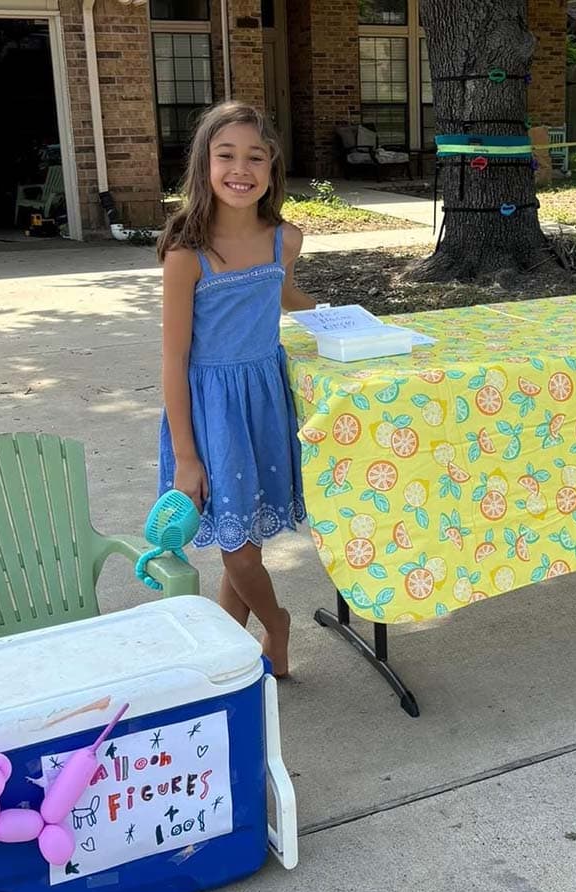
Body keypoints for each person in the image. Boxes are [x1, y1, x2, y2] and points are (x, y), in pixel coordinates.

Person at [157, 101, 316, 678]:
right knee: (235, 545)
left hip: (265, 401)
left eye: (256, 157)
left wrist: (340, 315)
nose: (240, 168)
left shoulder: (284, 239)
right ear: (204, 165)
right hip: (210, 414)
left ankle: (228, 657)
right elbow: (173, 358)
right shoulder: (186, 251)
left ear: (272, 169)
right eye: (226, 155)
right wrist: (185, 455)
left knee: (241, 530)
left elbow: (283, 296)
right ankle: (278, 625)